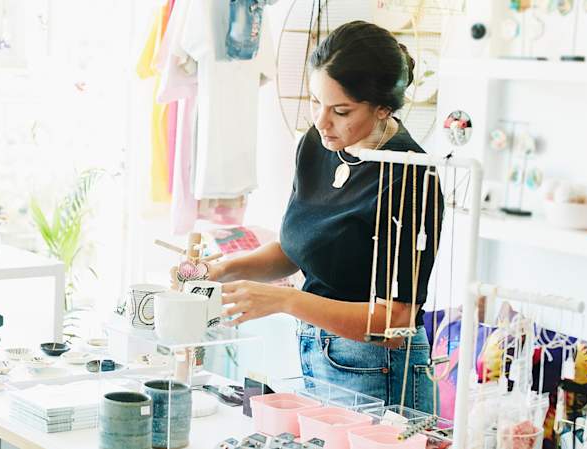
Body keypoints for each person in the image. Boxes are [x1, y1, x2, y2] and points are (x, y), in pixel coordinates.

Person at [185, 20, 443, 412]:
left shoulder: (409, 176)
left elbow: (396, 322)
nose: (322, 122)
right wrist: (221, 270)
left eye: (341, 111)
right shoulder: (317, 144)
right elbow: (298, 249)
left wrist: (287, 301)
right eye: (315, 102)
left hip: (381, 373)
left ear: (382, 108)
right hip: (315, 353)